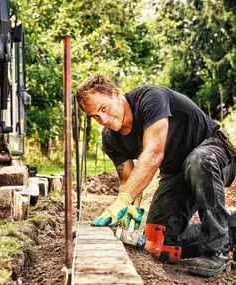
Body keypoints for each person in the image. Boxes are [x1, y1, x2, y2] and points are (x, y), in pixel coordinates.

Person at [76, 74, 236, 277]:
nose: (103, 120)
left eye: (103, 108)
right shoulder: (111, 139)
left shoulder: (150, 99)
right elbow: (128, 178)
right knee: (157, 244)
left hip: (215, 152)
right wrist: (129, 206)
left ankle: (216, 251)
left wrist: (122, 201)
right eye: (95, 116)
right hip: (176, 171)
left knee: (198, 161)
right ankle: (231, 228)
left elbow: (153, 153)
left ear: (116, 94)